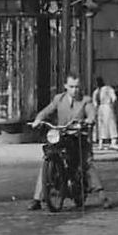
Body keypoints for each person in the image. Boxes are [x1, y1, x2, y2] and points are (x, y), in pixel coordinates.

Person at [28, 74, 96, 211]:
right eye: (71, 87)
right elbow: (46, 111)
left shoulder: (85, 100)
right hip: (61, 135)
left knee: (83, 163)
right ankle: (37, 199)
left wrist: (88, 120)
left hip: (77, 136)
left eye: (77, 87)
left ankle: (87, 186)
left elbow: (91, 114)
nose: (75, 90)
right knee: (47, 160)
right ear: (65, 86)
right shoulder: (59, 99)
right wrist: (38, 120)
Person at [92, 77, 118, 150]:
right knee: (111, 124)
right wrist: (113, 104)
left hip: (100, 108)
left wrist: (95, 110)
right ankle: (113, 141)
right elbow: (114, 98)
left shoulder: (96, 91)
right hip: (108, 107)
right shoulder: (108, 89)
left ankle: (101, 143)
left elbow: (94, 103)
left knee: (101, 126)